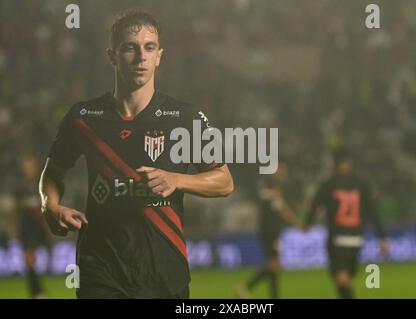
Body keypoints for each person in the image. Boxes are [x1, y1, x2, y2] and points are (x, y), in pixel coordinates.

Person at [39, 10, 233, 299]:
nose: (141, 56)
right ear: (112, 56)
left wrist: (177, 179)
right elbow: (53, 173)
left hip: (163, 272)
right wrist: (49, 205)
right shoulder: (84, 117)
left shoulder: (184, 118)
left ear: (159, 56)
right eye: (130, 47)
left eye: (149, 47)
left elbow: (224, 181)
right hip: (100, 268)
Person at [304, 148, 389, 299]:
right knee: (346, 281)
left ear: (334, 163)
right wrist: (382, 238)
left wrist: (307, 224)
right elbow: (372, 211)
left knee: (342, 280)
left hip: (337, 239)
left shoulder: (329, 184)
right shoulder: (361, 184)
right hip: (356, 240)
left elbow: (315, 205)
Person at [236, 163, 302, 299]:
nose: (283, 173)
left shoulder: (276, 189)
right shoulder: (268, 186)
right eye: (281, 170)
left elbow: (283, 211)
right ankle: (246, 287)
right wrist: (297, 223)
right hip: (268, 230)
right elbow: (279, 208)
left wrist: (297, 224)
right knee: (273, 264)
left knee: (274, 264)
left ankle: (273, 296)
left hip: (273, 230)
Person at [15, 155, 50, 298]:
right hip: (24, 228)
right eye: (25, 165)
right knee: (28, 260)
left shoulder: (40, 184)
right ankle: (37, 292)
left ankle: (38, 292)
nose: (28, 168)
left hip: (35, 229)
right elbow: (17, 208)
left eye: (30, 165)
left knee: (29, 259)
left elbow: (45, 206)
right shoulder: (21, 186)